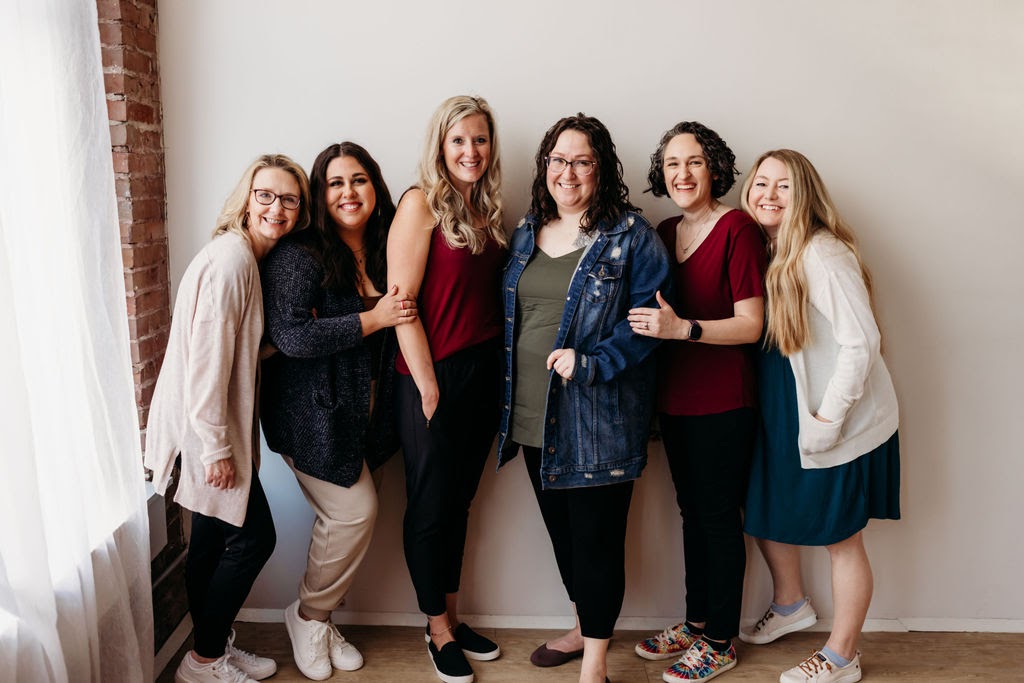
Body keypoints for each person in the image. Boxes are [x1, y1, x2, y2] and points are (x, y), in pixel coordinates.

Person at [497, 113, 673, 683]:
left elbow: (647, 324)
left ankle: (594, 664)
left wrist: (591, 363)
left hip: (595, 418)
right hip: (530, 414)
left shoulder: (631, 237)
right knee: (564, 540)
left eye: (582, 161)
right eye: (558, 160)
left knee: (597, 544)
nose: (567, 172)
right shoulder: (526, 231)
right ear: (544, 167)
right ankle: (582, 626)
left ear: (602, 169)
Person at [146, 154, 310, 683]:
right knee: (253, 539)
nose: (276, 208)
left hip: (203, 428)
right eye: (266, 195)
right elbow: (207, 364)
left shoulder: (242, 259)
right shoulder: (233, 261)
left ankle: (210, 648)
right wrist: (217, 448)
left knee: (213, 541)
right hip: (204, 433)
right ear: (246, 197)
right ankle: (204, 661)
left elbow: (228, 346)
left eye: (289, 199)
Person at [738, 149, 900, 683]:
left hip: (833, 417)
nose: (768, 194)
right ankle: (790, 605)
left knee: (840, 538)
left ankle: (841, 655)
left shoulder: (821, 254)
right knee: (761, 508)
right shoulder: (765, 250)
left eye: (783, 186)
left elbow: (863, 343)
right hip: (782, 411)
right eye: (761, 183)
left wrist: (829, 419)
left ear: (804, 194)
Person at [260, 142, 416, 680]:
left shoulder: (386, 247)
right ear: (319, 196)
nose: (349, 193)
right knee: (353, 512)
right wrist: (374, 319)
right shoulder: (298, 255)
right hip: (309, 415)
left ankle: (318, 620)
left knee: (347, 517)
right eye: (335, 183)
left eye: (359, 180)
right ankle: (307, 615)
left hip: (364, 413)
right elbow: (292, 335)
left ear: (376, 186)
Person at [629, 122, 767, 682]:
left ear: (714, 168)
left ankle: (721, 640)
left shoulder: (737, 227)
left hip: (724, 400)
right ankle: (695, 621)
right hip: (675, 402)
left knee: (716, 519)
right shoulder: (663, 232)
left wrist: (682, 329)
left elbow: (751, 325)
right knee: (691, 515)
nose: (681, 174)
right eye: (671, 165)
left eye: (693, 163)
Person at [387, 95, 507, 683]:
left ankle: (453, 620)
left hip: (483, 377)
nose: (470, 151)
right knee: (430, 507)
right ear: (441, 145)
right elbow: (400, 305)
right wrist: (429, 384)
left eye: (480, 139)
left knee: (458, 504)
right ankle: (435, 629)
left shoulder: (487, 208)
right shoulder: (420, 205)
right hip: (429, 377)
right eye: (459, 140)